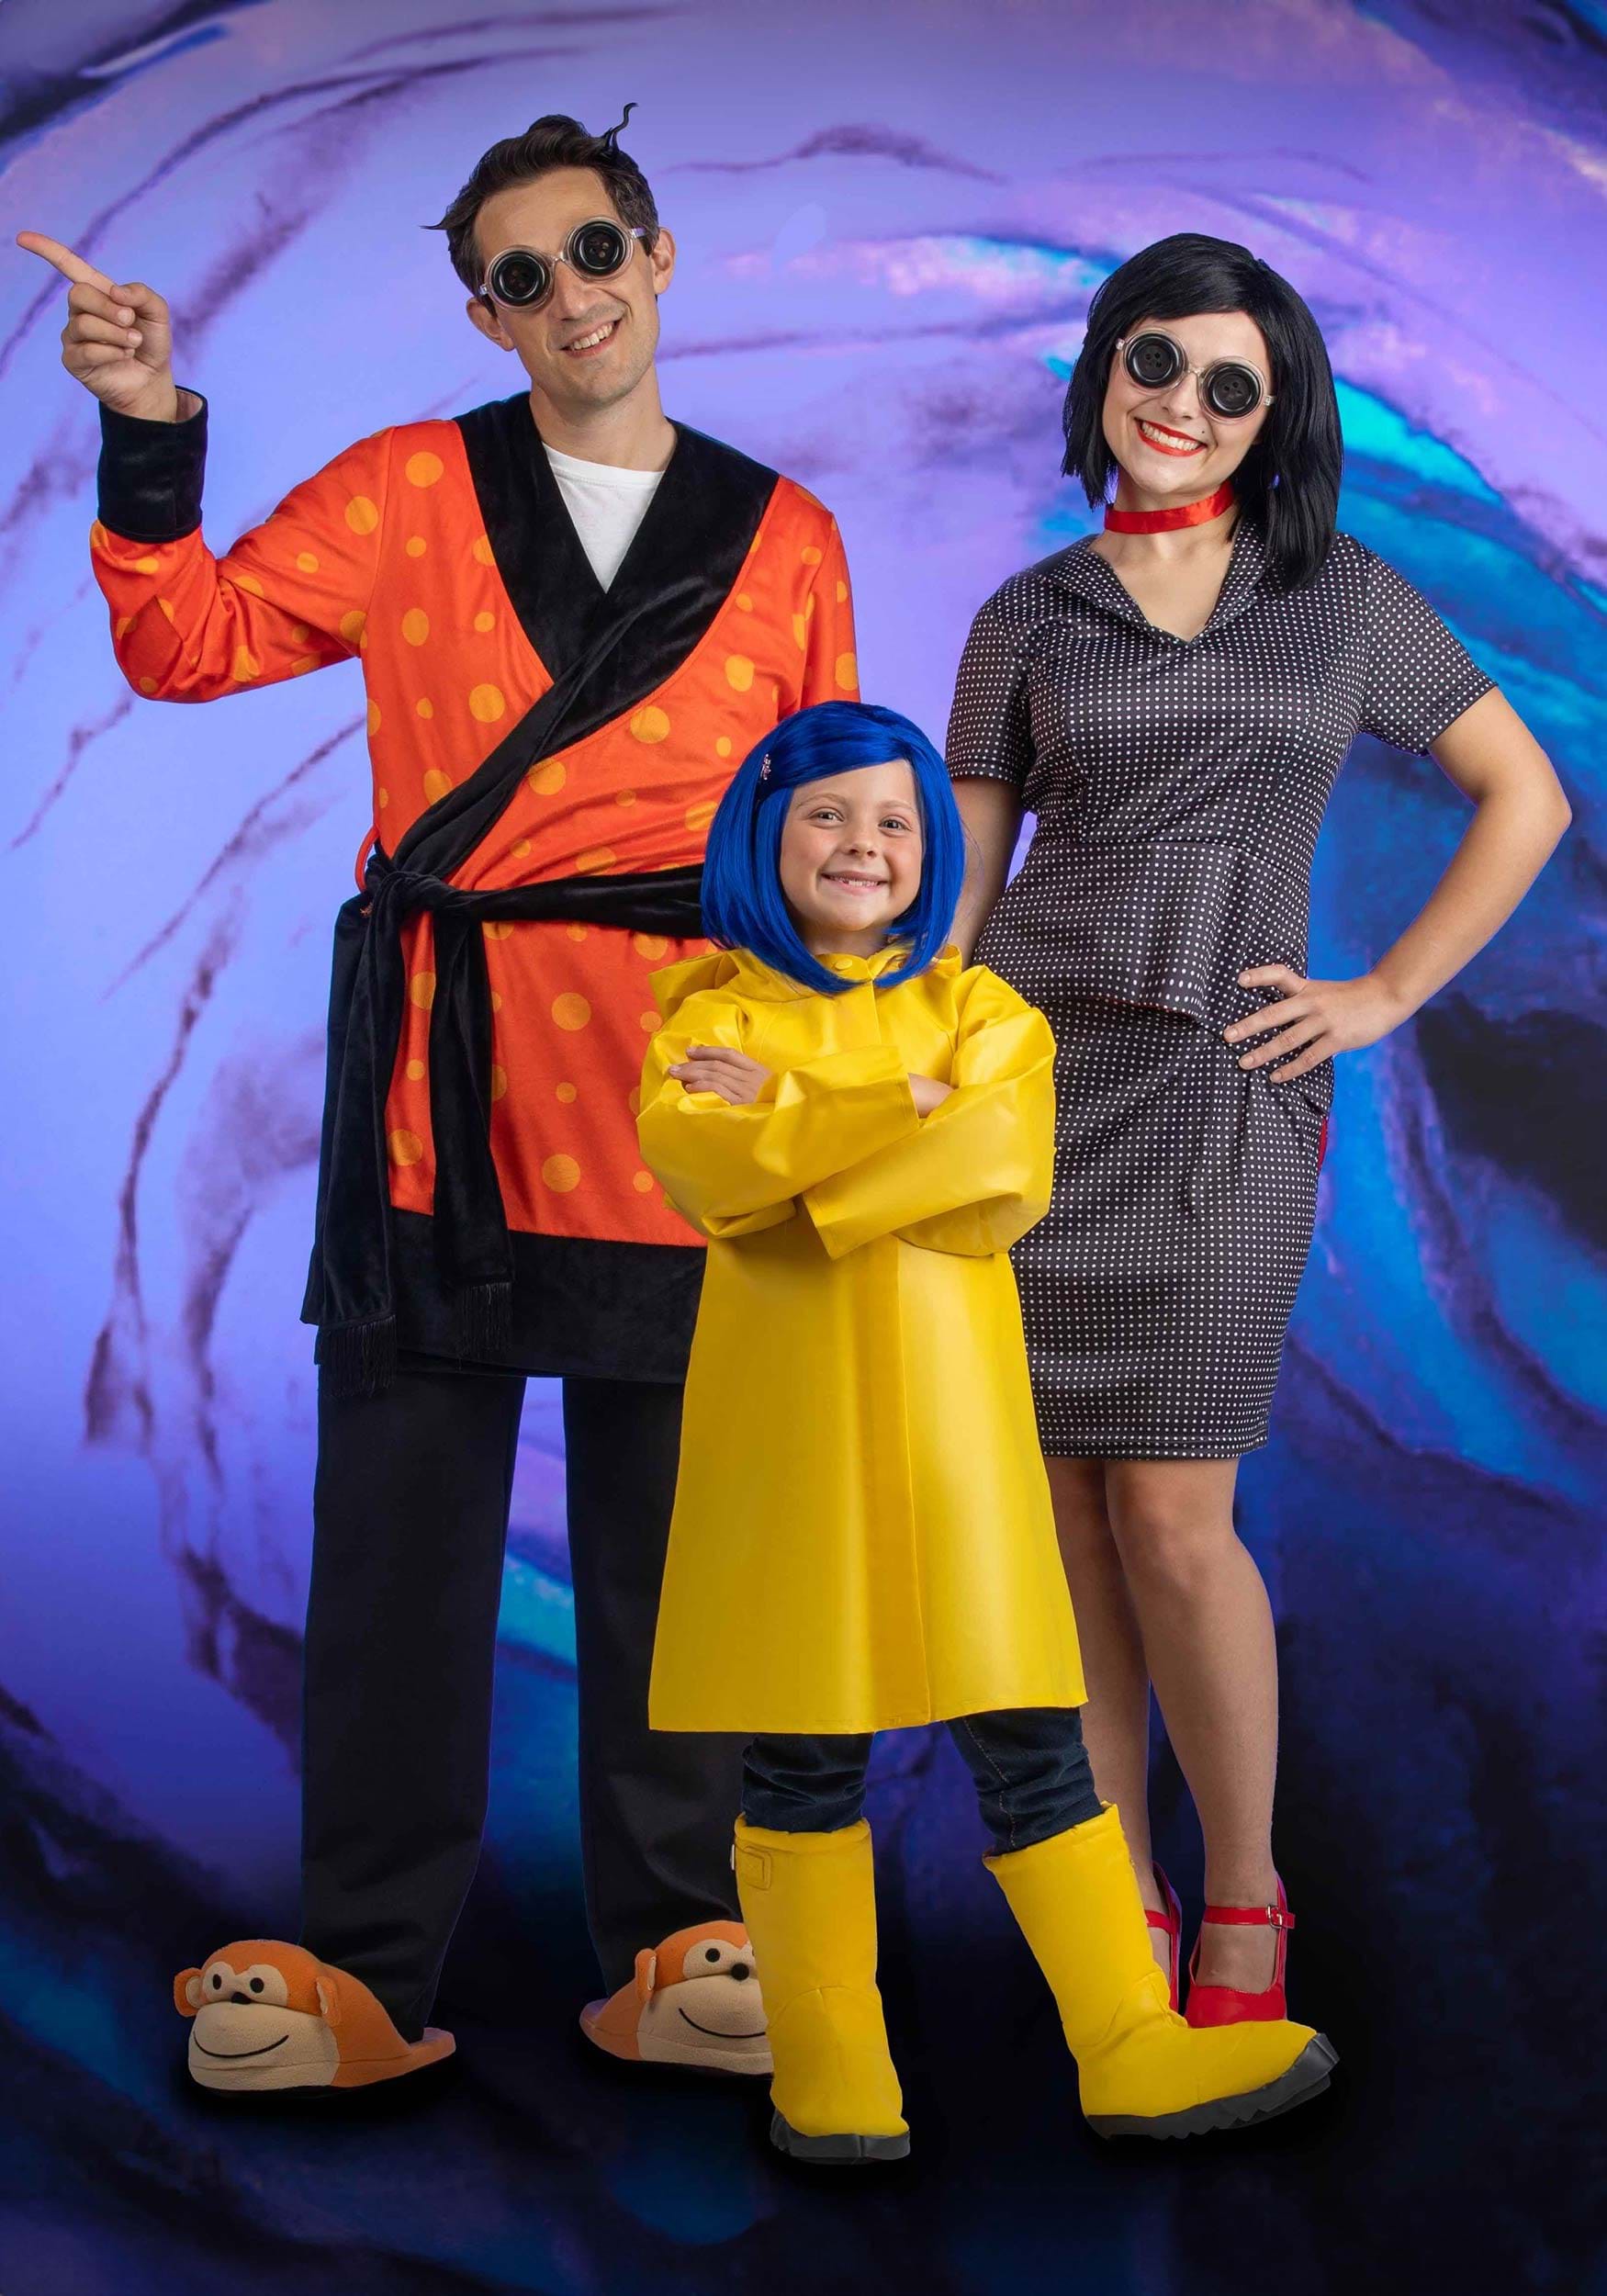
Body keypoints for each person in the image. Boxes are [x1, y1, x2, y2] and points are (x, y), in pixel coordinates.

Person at [18, 106, 860, 2088]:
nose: (569, 296)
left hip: (686, 1089)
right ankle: (367, 1971)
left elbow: (826, 835)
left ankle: (676, 1941)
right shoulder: (408, 489)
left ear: (656, 257)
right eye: (520, 275)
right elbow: (189, 643)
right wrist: (145, 425)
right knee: (400, 1551)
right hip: (441, 1089)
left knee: (677, 1553)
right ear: (486, 317)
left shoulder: (788, 536)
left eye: (594, 252)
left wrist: (827, 1089)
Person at [946, 233, 1570, 2025]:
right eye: (1157, 361)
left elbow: (1520, 794)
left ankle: (1242, 1886)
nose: (1185, 406)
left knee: (1172, 1517)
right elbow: (964, 888)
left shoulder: (1336, 594)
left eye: (1234, 385)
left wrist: (1380, 994)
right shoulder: (1024, 614)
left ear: (1272, 416)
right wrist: (900, 1078)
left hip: (1227, 1094)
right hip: (1031, 1092)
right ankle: (1111, 1900)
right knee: (1065, 1525)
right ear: (1103, 366)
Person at [633, 699, 1337, 2161]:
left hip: (960, 1442)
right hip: (790, 1444)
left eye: (896, 819)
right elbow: (714, 1173)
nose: (864, 844)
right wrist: (904, 1112)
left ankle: (1129, 2047)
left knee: (1031, 1739)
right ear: (764, 834)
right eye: (828, 813)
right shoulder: (708, 1020)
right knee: (801, 1754)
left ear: (934, 850)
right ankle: (830, 2076)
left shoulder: (983, 1016)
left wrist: (807, 1116)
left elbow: (998, 1168)